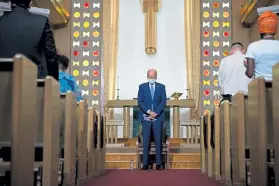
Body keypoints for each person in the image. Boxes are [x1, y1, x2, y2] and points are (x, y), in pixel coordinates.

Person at [0, 0, 58, 79]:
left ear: (10, 2)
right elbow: (51, 57)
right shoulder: (42, 22)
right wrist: (54, 83)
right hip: (33, 83)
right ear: (30, 3)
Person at [137, 69, 167, 170]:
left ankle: (159, 163)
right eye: (150, 77)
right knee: (146, 141)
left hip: (157, 118)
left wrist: (155, 113)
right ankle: (145, 163)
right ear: (147, 76)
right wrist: (149, 112)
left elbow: (163, 101)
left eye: (153, 77)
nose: (151, 78)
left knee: (158, 140)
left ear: (156, 76)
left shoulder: (161, 87)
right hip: (146, 118)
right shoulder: (142, 87)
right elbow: (140, 101)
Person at [245, 11, 279, 80]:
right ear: (275, 30)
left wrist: (247, 66)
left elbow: (249, 74)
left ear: (261, 29)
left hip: (261, 88)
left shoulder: (253, 46)